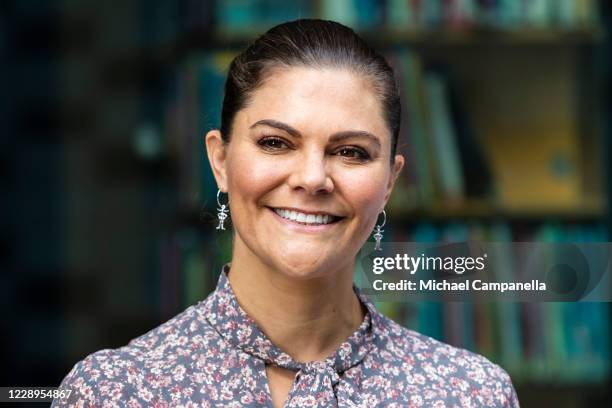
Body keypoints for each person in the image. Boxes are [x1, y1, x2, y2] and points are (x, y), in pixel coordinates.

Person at [52, 19, 519, 407]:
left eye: (351, 152)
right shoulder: (116, 392)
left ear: (390, 181)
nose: (312, 178)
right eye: (276, 143)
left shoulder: (470, 393)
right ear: (220, 161)